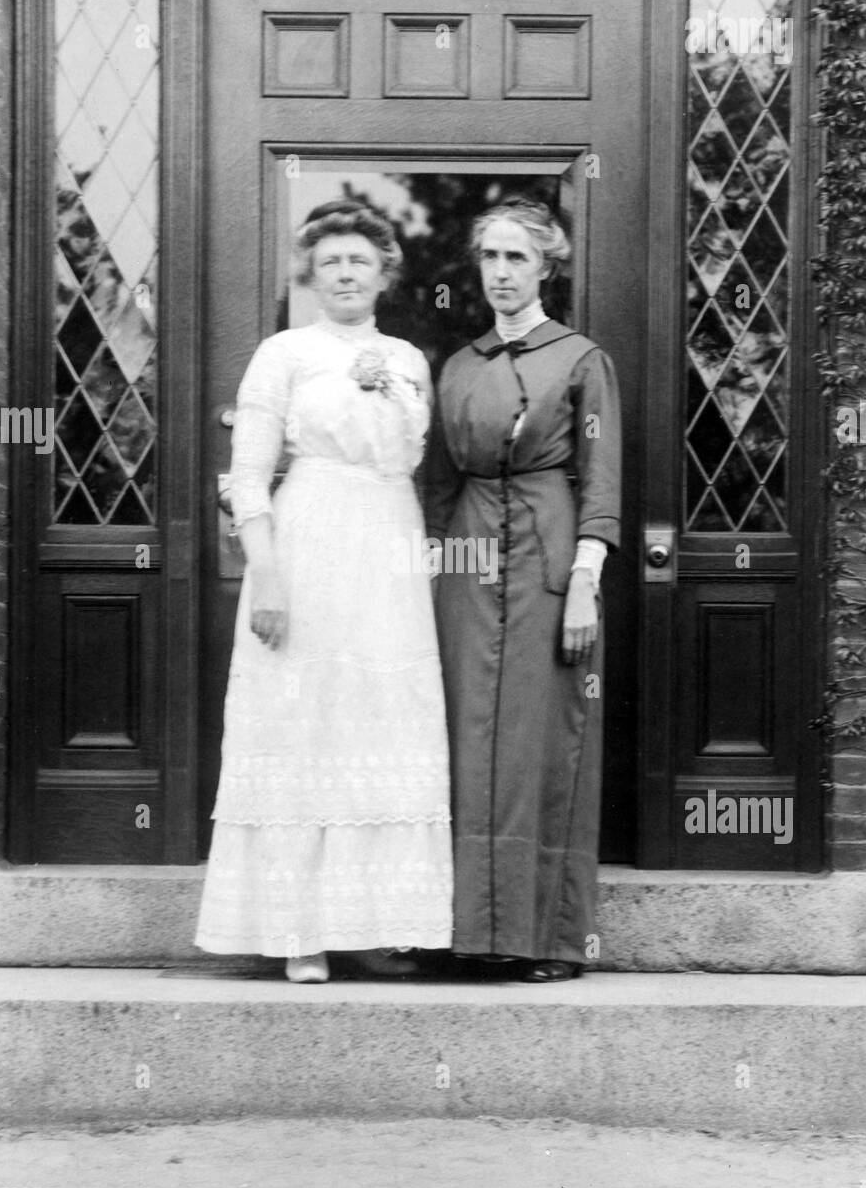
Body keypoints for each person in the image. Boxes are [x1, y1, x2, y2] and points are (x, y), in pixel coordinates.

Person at [196, 199, 453, 982]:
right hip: (307, 543)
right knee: (303, 724)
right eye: (332, 262)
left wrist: (387, 391)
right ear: (311, 274)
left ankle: (372, 922)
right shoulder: (284, 352)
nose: (345, 274)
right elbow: (247, 475)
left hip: (387, 543)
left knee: (380, 722)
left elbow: (411, 454)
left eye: (360, 262)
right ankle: (296, 928)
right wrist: (267, 575)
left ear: (383, 276)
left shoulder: (409, 358)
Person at [425, 196, 621, 982]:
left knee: (542, 741)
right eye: (489, 258)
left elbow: (601, 481)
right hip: (466, 559)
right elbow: (437, 486)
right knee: (463, 734)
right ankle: (459, 931)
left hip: (547, 549)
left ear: (546, 266)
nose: (501, 273)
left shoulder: (579, 359)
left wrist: (582, 585)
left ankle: (546, 937)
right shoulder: (458, 365)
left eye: (516, 258)